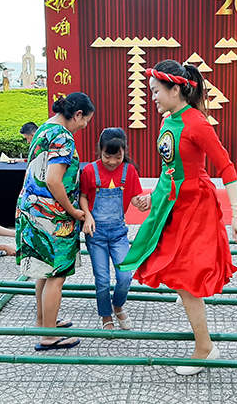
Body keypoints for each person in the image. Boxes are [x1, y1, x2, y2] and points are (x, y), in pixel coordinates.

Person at [119, 60, 237, 375]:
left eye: (156, 91)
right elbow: (169, 171)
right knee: (167, 262)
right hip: (172, 205)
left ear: (175, 89)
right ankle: (188, 296)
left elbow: (226, 166)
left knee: (187, 277)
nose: (153, 98)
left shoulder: (197, 123)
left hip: (196, 207)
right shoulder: (168, 121)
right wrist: (153, 196)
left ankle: (204, 348)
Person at [16, 92, 95, 351]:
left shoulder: (45, 128)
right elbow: (53, 180)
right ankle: (48, 336)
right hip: (52, 214)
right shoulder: (63, 136)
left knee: (42, 269)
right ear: (78, 114)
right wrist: (73, 211)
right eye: (85, 122)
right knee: (57, 275)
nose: (84, 127)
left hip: (31, 209)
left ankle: (44, 322)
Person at [80, 128, 146, 330]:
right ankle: (105, 315)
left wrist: (142, 202)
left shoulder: (130, 171)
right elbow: (82, 196)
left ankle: (118, 305)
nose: (112, 161)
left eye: (118, 156)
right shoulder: (90, 170)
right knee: (101, 279)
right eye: (107, 156)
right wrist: (87, 216)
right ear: (99, 150)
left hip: (119, 234)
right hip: (96, 234)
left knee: (125, 276)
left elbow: (135, 197)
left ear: (125, 151)